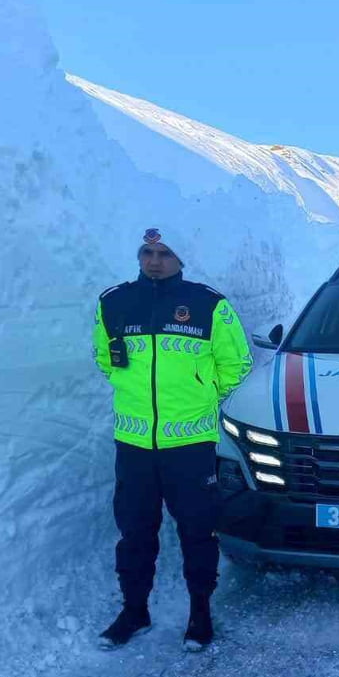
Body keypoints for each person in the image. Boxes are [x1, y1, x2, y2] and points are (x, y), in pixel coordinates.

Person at [92, 228, 252, 650]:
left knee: (198, 531)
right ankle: (134, 611)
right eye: (147, 252)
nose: (154, 260)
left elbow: (236, 363)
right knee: (134, 532)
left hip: (190, 444)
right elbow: (106, 359)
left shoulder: (208, 304)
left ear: (182, 257)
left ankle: (200, 611)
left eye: (164, 253)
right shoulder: (114, 302)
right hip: (134, 443)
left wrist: (201, 394)